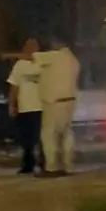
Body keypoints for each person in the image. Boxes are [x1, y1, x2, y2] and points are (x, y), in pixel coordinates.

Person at [34, 36, 80, 176]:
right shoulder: (73, 59)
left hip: (54, 102)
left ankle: (51, 167)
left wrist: (6, 55)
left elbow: (31, 56)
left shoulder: (54, 56)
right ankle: (68, 166)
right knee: (67, 134)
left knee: (49, 135)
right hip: (70, 100)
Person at [6, 38, 43, 174]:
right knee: (26, 139)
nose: (32, 48)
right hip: (25, 107)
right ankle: (28, 164)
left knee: (42, 138)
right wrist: (12, 104)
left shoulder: (43, 63)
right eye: (29, 46)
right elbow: (14, 86)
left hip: (41, 106)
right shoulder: (20, 65)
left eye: (34, 45)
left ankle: (45, 163)